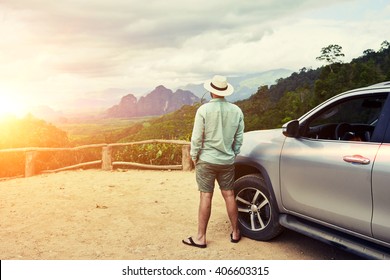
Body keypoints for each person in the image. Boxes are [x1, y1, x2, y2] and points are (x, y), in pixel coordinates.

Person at [182, 75, 245, 248]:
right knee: (229, 195)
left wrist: (194, 157)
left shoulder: (203, 110)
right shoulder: (237, 111)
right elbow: (239, 138)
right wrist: (232, 153)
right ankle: (236, 232)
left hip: (206, 160)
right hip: (227, 161)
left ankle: (201, 238)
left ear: (211, 91)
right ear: (225, 91)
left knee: (205, 196)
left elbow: (196, 138)